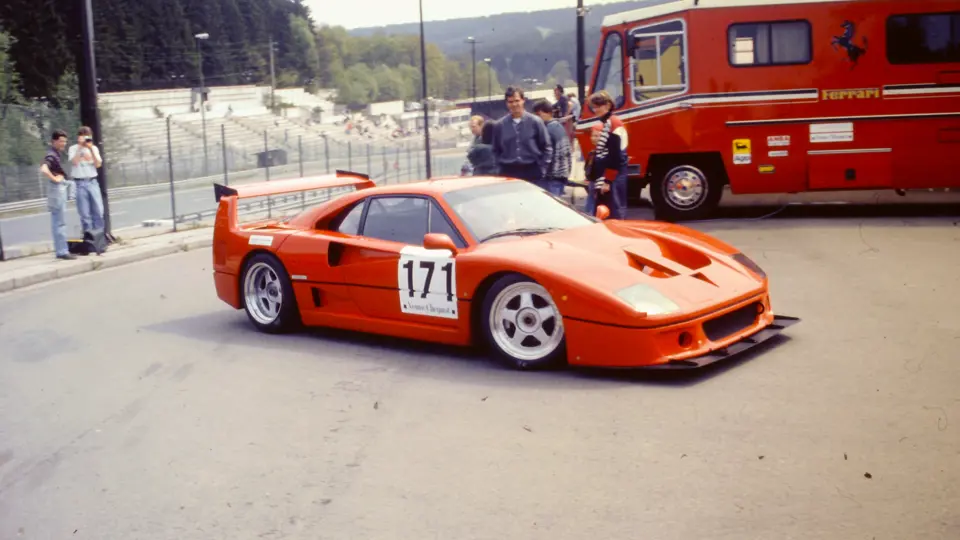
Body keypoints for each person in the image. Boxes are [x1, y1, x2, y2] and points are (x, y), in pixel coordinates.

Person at [490, 86, 551, 184]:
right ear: (506, 103)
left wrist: (542, 168)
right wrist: (498, 169)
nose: (514, 104)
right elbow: (495, 150)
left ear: (523, 100)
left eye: (517, 100)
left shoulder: (536, 122)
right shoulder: (499, 125)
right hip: (508, 172)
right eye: (510, 102)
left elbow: (546, 147)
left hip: (532, 171)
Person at [585, 90, 629, 219]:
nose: (596, 109)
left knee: (613, 213)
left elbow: (616, 156)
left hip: (612, 177)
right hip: (609, 176)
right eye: (594, 106)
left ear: (608, 105)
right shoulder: (609, 123)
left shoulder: (612, 124)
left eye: (599, 105)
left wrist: (607, 181)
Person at [40, 130, 76, 260]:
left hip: (58, 189)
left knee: (58, 221)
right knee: (59, 222)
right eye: (61, 141)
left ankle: (61, 250)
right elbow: (44, 168)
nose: (64, 144)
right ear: (54, 141)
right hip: (56, 189)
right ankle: (62, 251)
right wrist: (55, 179)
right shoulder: (51, 154)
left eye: (65, 141)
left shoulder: (55, 154)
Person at [68, 126, 104, 235]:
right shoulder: (73, 148)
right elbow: (74, 162)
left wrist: (91, 149)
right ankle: (89, 239)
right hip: (80, 183)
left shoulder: (94, 148)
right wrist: (80, 148)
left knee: (98, 211)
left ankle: (99, 239)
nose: (85, 139)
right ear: (79, 137)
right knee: (85, 214)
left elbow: (98, 164)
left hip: (92, 181)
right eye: (83, 136)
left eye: (87, 136)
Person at [532, 99, 571, 196]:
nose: (537, 118)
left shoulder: (547, 130)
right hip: (561, 175)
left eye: (539, 114)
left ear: (549, 113)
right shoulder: (558, 126)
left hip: (551, 178)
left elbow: (545, 156)